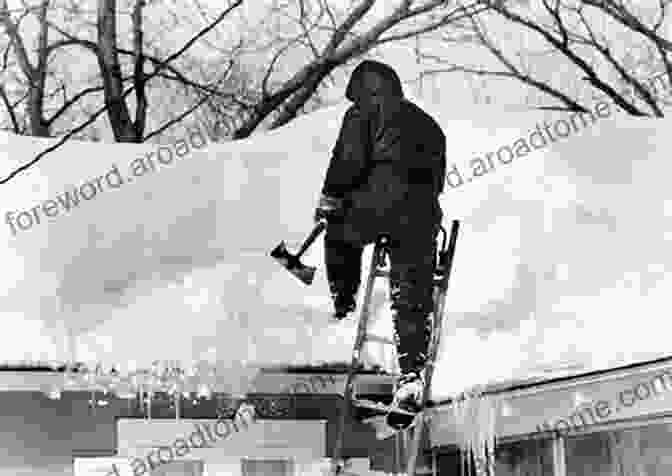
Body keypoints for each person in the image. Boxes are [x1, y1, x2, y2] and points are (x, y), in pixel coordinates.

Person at [313, 60, 446, 413]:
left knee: (338, 234)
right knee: (410, 292)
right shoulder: (428, 123)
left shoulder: (362, 114)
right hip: (422, 215)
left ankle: (345, 304)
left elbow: (348, 162)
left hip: (377, 206)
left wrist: (329, 201)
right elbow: (438, 179)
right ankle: (411, 373)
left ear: (364, 90)